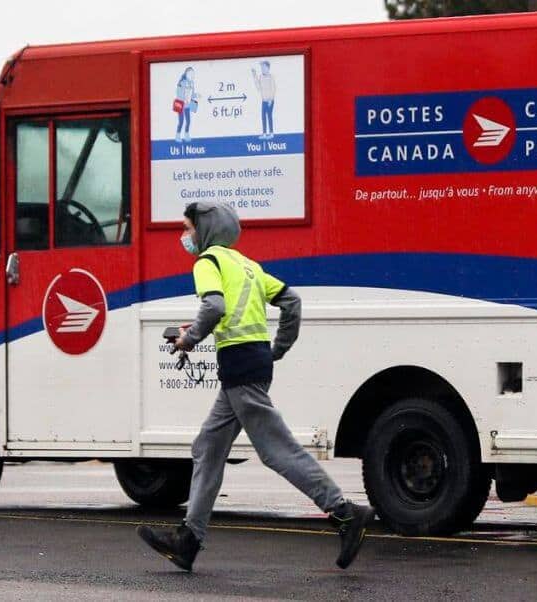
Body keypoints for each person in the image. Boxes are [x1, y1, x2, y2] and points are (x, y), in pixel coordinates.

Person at [137, 200, 374, 572]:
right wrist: (275, 350)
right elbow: (291, 302)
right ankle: (188, 541)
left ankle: (345, 513)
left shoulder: (208, 262)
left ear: (207, 229)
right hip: (249, 365)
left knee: (277, 450)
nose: (185, 236)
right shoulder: (247, 265)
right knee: (209, 447)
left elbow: (214, 307)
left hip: (241, 367)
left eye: (188, 228)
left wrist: (190, 339)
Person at [251, 61, 275, 139]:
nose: (262, 69)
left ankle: (271, 133)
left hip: (269, 100)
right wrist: (254, 76)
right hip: (264, 100)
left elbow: (273, 89)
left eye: (263, 67)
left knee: (269, 116)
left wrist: (271, 100)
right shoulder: (261, 77)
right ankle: (264, 133)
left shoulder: (271, 77)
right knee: (263, 116)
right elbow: (258, 88)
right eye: (261, 67)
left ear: (268, 68)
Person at [175, 67, 195, 142]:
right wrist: (184, 99)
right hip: (180, 104)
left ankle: (186, 135)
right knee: (181, 121)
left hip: (187, 105)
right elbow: (178, 93)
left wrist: (196, 95)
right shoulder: (182, 82)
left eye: (193, 74)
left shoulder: (192, 83)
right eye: (190, 74)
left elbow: (192, 94)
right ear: (186, 74)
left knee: (188, 121)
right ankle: (178, 135)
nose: (192, 76)